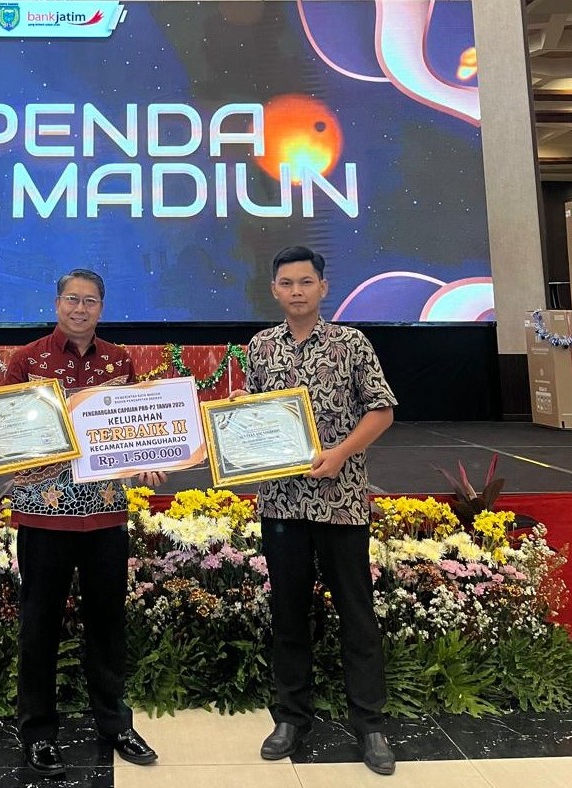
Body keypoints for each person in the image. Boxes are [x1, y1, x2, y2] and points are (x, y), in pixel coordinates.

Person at [0, 269, 164, 778]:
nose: (80, 308)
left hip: (105, 513)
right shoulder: (27, 360)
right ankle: (38, 733)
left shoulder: (119, 360)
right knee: (40, 626)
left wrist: (148, 458)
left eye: (90, 301)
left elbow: (133, 430)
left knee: (107, 626)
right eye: (72, 298)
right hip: (43, 514)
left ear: (101, 308)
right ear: (57, 303)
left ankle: (114, 724)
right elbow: (1, 426)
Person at [238, 245, 397, 776]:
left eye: (306, 282)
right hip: (281, 503)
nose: (297, 291)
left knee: (356, 615)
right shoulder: (261, 348)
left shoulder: (351, 344)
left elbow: (381, 410)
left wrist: (341, 454)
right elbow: (252, 416)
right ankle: (291, 717)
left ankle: (370, 725)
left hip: (341, 503)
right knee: (288, 614)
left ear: (323, 288)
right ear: (274, 290)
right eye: (287, 283)